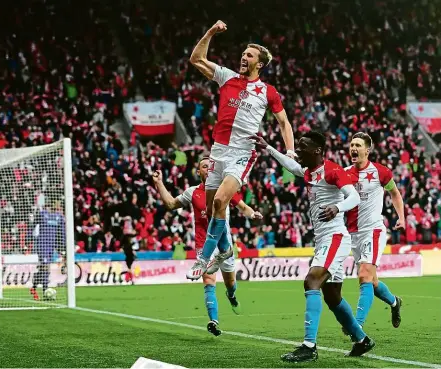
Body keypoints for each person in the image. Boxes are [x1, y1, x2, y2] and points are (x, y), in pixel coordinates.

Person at [251, 132, 375, 362]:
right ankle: (361, 339)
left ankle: (309, 346)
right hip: (323, 240)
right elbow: (291, 164)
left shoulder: (333, 170)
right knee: (332, 296)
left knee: (312, 281)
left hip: (335, 237)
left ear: (317, 150)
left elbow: (354, 197)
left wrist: (337, 208)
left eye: (302, 147)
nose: (298, 151)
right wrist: (268, 147)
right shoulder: (309, 172)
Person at [186, 20, 295, 280]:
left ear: (260, 63)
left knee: (222, 201)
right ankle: (225, 249)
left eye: (249, 55)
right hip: (218, 151)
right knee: (214, 209)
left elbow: (284, 122)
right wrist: (211, 31)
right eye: (243, 53)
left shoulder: (268, 92)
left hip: (242, 153)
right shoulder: (227, 76)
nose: (243, 57)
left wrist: (289, 151)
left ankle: (203, 258)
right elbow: (196, 58)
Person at [153, 157, 263, 336]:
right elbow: (171, 204)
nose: (208, 169)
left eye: (210, 166)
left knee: (230, 283)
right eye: (204, 166)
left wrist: (253, 215)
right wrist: (158, 183)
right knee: (208, 280)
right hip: (203, 245)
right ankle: (214, 320)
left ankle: (232, 296)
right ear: (199, 172)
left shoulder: (224, 190)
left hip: (225, 246)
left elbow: (243, 207)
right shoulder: (192, 192)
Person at [345, 132, 404, 333]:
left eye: (358, 145)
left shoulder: (380, 172)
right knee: (373, 281)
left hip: (374, 230)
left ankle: (356, 325)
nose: (353, 148)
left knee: (364, 275)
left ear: (367, 150)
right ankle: (395, 302)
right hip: (354, 235)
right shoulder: (344, 174)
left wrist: (401, 217)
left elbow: (395, 193)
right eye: (352, 144)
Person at [30, 198, 65, 301]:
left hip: (51, 247)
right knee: (45, 268)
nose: (57, 205)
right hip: (42, 245)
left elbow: (61, 234)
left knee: (45, 269)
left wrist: (61, 247)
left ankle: (34, 287)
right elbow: (32, 226)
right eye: (56, 203)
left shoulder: (59, 217)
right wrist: (28, 241)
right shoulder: (42, 214)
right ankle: (46, 291)